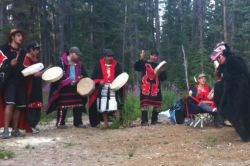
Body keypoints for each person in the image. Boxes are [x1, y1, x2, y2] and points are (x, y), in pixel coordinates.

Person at [210, 42, 250, 141]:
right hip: (233, 92)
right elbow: (224, 77)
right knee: (234, 112)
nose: (218, 60)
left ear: (223, 55)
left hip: (242, 91)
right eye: (217, 59)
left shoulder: (234, 60)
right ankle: (245, 134)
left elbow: (243, 74)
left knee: (242, 112)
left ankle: (246, 135)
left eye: (219, 58)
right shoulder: (225, 64)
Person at [47, 47, 88, 129]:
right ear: (71, 53)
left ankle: (78, 122)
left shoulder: (79, 64)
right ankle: (60, 123)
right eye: (77, 55)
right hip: (64, 87)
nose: (78, 57)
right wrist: (68, 81)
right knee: (63, 105)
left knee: (79, 104)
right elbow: (57, 74)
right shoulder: (61, 62)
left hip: (76, 87)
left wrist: (80, 78)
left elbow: (84, 74)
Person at [0, 29, 28, 139]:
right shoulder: (3, 49)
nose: (21, 38)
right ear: (12, 37)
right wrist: (9, 64)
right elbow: (1, 65)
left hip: (20, 81)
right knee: (10, 104)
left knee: (18, 106)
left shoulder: (23, 52)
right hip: (9, 82)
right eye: (18, 35)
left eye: (21, 36)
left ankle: (15, 130)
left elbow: (25, 67)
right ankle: (6, 130)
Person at [88, 49, 123, 128]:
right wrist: (99, 81)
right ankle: (105, 123)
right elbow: (94, 78)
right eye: (108, 56)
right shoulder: (98, 65)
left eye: (111, 56)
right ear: (104, 57)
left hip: (114, 88)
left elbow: (120, 77)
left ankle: (117, 123)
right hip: (103, 89)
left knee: (115, 105)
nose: (110, 58)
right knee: (103, 105)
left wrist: (116, 83)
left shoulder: (117, 65)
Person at [134, 50, 167, 126]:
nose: (154, 57)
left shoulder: (159, 66)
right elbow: (136, 67)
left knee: (157, 103)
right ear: (150, 56)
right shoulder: (145, 64)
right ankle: (144, 121)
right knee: (144, 104)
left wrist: (163, 71)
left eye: (156, 56)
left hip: (156, 87)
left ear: (157, 57)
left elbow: (163, 78)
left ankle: (154, 120)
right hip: (146, 86)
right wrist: (141, 59)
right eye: (153, 55)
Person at [23, 41, 43, 133]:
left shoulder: (36, 59)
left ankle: (35, 124)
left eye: (38, 49)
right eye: (36, 49)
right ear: (31, 49)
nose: (38, 51)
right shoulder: (25, 58)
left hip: (37, 85)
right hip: (29, 85)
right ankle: (30, 125)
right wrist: (34, 74)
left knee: (38, 104)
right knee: (31, 105)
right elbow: (25, 72)